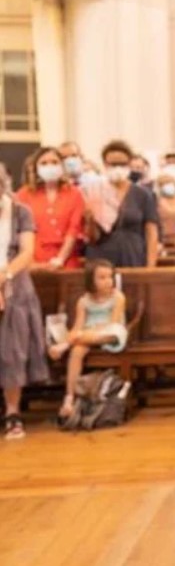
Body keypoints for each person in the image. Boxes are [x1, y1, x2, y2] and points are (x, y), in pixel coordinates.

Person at [0, 163, 49, 440]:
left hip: (14, 288)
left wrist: (4, 275)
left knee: (12, 352)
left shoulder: (19, 212)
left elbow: (27, 251)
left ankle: (12, 412)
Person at [48, 259, 127, 419]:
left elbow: (113, 322)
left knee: (86, 337)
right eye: (102, 278)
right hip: (86, 335)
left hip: (109, 333)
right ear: (91, 280)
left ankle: (63, 346)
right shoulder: (84, 301)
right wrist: (76, 334)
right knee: (77, 350)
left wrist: (77, 336)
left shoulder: (118, 297)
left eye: (110, 277)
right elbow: (78, 326)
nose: (107, 281)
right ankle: (69, 398)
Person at [84, 140, 160, 267]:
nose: (117, 167)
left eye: (122, 164)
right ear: (105, 165)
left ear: (129, 164)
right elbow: (91, 236)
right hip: (101, 258)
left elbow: (151, 233)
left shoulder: (143, 194)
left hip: (133, 255)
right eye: (112, 164)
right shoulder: (95, 191)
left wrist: (150, 266)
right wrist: (90, 220)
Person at [14, 147, 86, 269]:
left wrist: (60, 259)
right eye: (44, 163)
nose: (50, 166)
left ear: (62, 166)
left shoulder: (74, 193)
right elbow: (20, 230)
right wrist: (32, 262)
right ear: (36, 168)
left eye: (54, 162)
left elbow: (73, 229)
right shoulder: (23, 194)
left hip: (66, 261)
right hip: (33, 260)